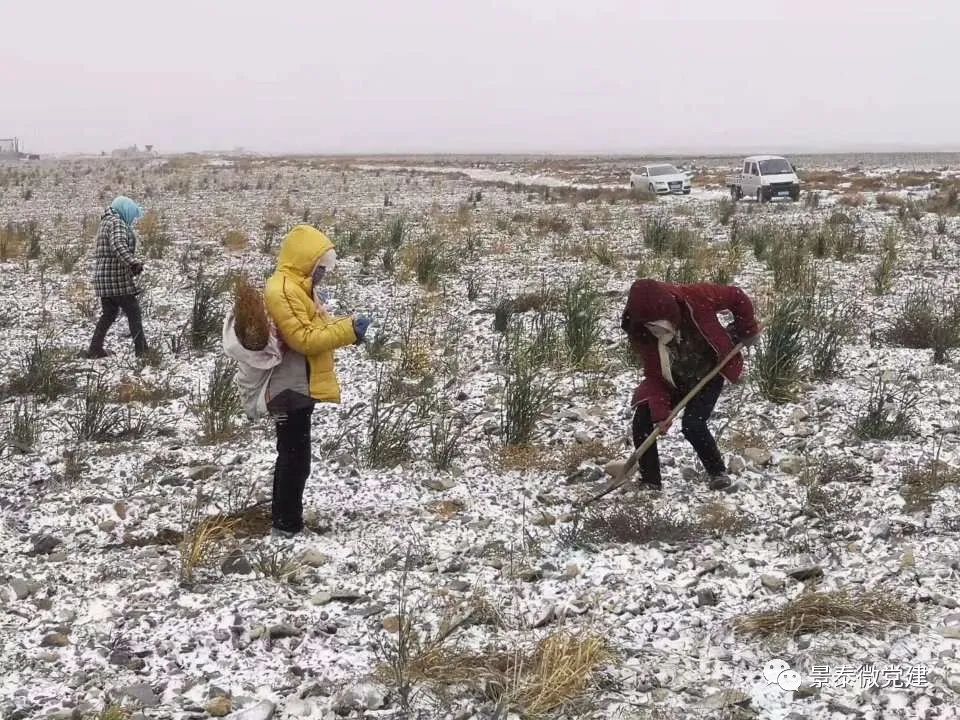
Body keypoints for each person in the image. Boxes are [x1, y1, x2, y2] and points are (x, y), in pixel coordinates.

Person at [263, 225, 371, 538]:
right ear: (306, 261)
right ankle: (285, 526)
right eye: (321, 267)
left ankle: (287, 522)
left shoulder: (299, 287)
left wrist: (350, 329)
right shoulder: (282, 290)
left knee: (297, 456)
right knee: (293, 458)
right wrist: (349, 330)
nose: (323, 273)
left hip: (300, 384)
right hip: (288, 387)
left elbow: (319, 325)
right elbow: (305, 339)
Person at [620, 279, 760, 491]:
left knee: (693, 424)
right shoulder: (644, 335)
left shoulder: (696, 296)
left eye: (660, 324)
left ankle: (717, 472)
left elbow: (736, 297)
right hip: (674, 381)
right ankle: (651, 481)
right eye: (651, 326)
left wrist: (747, 329)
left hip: (710, 372)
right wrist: (660, 415)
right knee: (643, 420)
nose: (656, 330)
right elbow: (655, 377)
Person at [86, 196, 149, 358]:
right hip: (116, 280)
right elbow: (118, 245)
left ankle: (95, 348)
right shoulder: (117, 223)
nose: (132, 220)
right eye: (132, 215)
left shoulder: (106, 222)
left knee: (109, 313)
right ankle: (142, 352)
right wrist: (132, 263)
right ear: (125, 210)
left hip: (104, 280)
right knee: (133, 311)